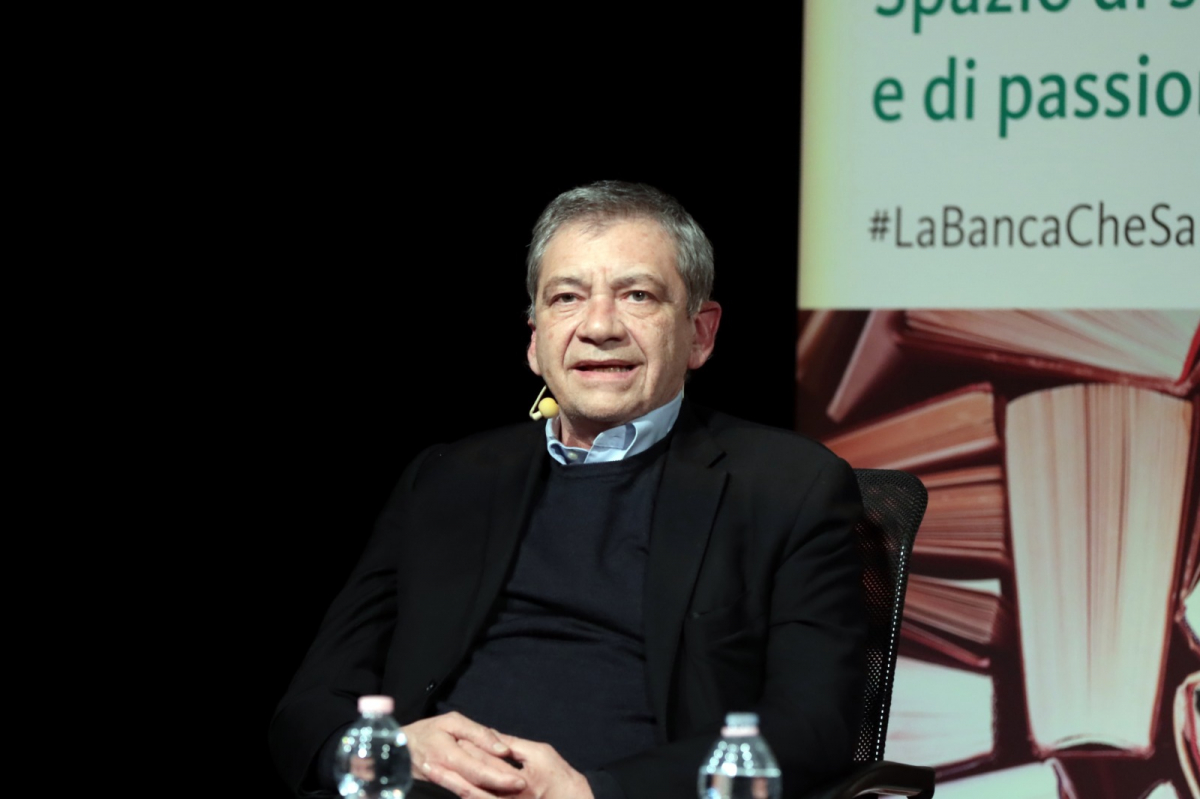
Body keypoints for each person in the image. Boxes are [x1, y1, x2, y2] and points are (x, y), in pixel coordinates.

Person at [270, 181, 866, 799]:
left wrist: (595, 792)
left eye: (637, 295)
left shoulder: (787, 485)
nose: (599, 327)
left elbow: (812, 727)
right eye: (567, 298)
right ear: (535, 339)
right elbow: (311, 707)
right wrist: (391, 749)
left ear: (700, 333)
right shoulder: (446, 479)